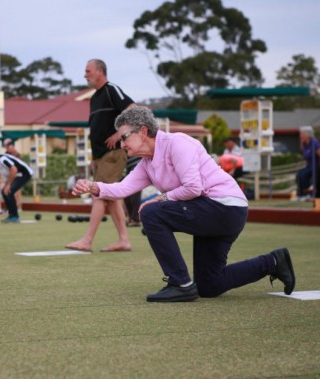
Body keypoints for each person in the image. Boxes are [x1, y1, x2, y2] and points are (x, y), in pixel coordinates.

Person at [71, 106, 296, 302]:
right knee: (210, 285)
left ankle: (180, 284)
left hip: (225, 207)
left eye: (124, 137)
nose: (121, 144)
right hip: (210, 211)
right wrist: (92, 186)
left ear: (143, 131)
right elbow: (122, 189)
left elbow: (193, 187)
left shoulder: (177, 143)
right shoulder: (146, 163)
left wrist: (162, 198)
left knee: (151, 213)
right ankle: (273, 261)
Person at [65, 58, 135, 252]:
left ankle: (87, 240)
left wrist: (120, 133)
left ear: (100, 72)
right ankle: (124, 240)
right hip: (100, 156)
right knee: (111, 198)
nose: (84, 74)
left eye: (88, 71)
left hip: (113, 154)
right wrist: (93, 157)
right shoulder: (95, 97)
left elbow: (134, 110)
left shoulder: (112, 89)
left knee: (99, 194)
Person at [295, 126, 320, 200]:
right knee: (300, 174)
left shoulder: (315, 143)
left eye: (302, 134)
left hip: (316, 165)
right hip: (309, 165)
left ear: (307, 135)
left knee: (304, 174)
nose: (300, 136)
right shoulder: (304, 143)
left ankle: (308, 194)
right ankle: (301, 194)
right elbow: (305, 156)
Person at [3, 138, 23, 212]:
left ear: (12, 146)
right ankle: (11, 207)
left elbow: (19, 167)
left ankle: (19, 207)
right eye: (5, 147)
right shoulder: (6, 154)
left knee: (17, 192)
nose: (6, 148)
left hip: (18, 175)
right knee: (8, 192)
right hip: (9, 175)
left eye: (8, 146)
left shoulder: (17, 154)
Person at [124, 156, 142, 227]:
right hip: (125, 163)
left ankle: (135, 218)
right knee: (126, 190)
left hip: (136, 161)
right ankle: (132, 217)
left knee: (134, 190)